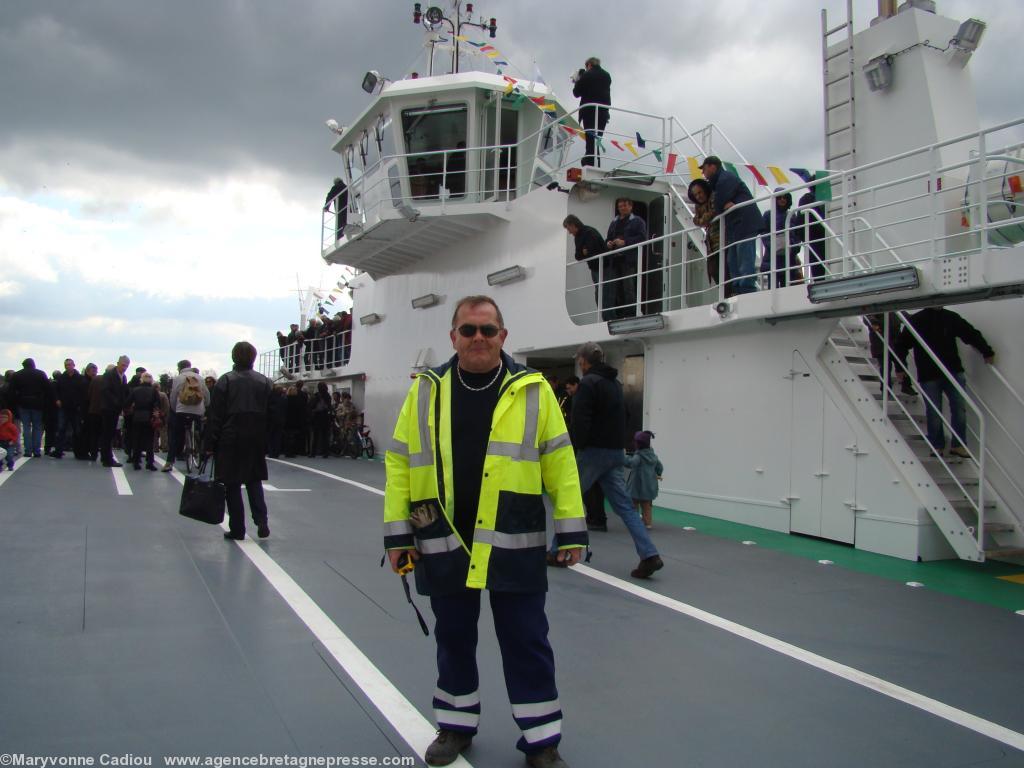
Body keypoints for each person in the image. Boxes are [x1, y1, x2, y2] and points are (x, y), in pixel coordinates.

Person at [384, 295, 586, 768]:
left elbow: (561, 461)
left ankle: (542, 741)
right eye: (469, 330)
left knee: (527, 639)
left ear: (503, 337)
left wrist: (572, 531)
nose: (479, 338)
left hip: (513, 538)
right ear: (452, 336)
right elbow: (398, 462)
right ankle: (455, 727)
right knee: (453, 637)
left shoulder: (532, 389)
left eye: (488, 330)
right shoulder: (426, 390)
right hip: (442, 536)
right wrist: (397, 538)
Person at [559, 341, 663, 578]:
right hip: (615, 452)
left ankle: (557, 549)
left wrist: (577, 446)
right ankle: (649, 554)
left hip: (594, 452)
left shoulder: (587, 384)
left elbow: (581, 421)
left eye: (579, 360)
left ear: (583, 361)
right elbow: (625, 415)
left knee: (570, 498)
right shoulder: (614, 384)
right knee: (625, 507)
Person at [895, 307, 995, 459]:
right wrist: (900, 367)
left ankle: (958, 445)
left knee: (959, 409)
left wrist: (986, 351)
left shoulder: (950, 317)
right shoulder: (917, 320)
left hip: (952, 371)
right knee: (934, 412)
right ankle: (937, 445)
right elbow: (901, 345)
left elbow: (970, 333)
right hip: (930, 374)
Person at [205, 341, 272, 540]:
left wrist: (210, 443)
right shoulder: (265, 382)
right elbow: (271, 413)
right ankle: (262, 521)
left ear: (234, 357)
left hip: (230, 437)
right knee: (254, 481)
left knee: (231, 484)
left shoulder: (225, 381)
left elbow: (215, 416)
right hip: (256, 437)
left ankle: (237, 528)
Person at [702, 156, 762, 296]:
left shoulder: (726, 179)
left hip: (745, 223)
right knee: (732, 260)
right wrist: (723, 205)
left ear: (712, 166)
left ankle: (746, 289)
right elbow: (719, 202)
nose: (703, 173)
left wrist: (721, 204)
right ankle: (738, 289)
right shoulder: (718, 182)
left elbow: (718, 202)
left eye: (704, 169)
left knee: (744, 257)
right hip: (735, 225)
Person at [563, 214, 614, 320]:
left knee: (605, 294)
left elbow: (592, 251)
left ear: (573, 225)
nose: (569, 232)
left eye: (569, 228)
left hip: (604, 266)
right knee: (599, 294)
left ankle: (609, 318)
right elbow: (578, 256)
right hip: (594, 268)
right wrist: (583, 252)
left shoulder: (589, 232)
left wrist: (584, 252)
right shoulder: (578, 237)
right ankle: (605, 318)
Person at [164, 361, 211, 471]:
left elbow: (174, 395)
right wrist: (205, 406)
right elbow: (206, 394)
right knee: (200, 432)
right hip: (198, 410)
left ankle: (169, 463)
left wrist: (175, 409)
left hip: (182, 410)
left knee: (176, 435)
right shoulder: (199, 377)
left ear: (179, 368)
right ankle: (201, 454)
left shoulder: (178, 378)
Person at [605, 198, 647, 318]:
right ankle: (620, 313)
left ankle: (630, 313)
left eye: (624, 206)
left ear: (630, 207)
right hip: (615, 259)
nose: (622, 208)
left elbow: (642, 238)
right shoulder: (614, 222)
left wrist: (625, 242)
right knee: (617, 287)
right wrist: (608, 243)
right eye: (620, 206)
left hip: (628, 259)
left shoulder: (637, 221)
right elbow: (608, 237)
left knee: (628, 287)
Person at [759, 189, 803, 288]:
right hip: (773, 256)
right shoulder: (768, 215)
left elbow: (797, 234)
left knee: (788, 286)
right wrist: (772, 245)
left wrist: (793, 246)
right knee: (772, 286)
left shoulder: (791, 215)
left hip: (789, 255)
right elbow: (764, 233)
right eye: (779, 197)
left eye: (785, 197)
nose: (782, 200)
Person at [572, 56, 611, 168]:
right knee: (597, 139)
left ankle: (589, 162)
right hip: (603, 112)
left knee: (590, 139)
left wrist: (578, 79)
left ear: (589, 65)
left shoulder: (587, 75)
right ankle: (596, 163)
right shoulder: (607, 75)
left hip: (589, 111)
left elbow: (576, 93)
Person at [11, 358, 51, 458]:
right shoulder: (41, 374)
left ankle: (28, 450)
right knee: (37, 427)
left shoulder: (17, 375)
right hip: (37, 403)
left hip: (23, 403)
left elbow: (12, 391)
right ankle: (36, 450)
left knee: (26, 427)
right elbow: (48, 389)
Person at [624, 430, 663, 529]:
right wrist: (658, 474)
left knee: (634, 506)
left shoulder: (639, 456)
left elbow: (631, 463)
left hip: (636, 488)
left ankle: (635, 523)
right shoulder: (653, 456)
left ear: (637, 444)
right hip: (649, 487)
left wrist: (624, 457)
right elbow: (660, 467)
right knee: (647, 506)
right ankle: (647, 523)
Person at [688, 178, 722, 287]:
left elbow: (714, 211)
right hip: (711, 245)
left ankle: (729, 294)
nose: (698, 196)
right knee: (714, 271)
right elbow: (696, 220)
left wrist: (704, 219)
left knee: (723, 270)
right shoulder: (698, 206)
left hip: (722, 240)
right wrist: (704, 220)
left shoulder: (714, 197)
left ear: (705, 190)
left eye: (700, 192)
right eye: (696, 195)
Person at [99, 356, 130, 467]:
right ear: (118, 363)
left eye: (126, 365)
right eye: (123, 365)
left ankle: (106, 457)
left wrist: (124, 404)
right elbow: (105, 390)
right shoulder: (109, 375)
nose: (125, 367)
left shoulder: (123, 377)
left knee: (110, 433)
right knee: (108, 433)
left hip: (115, 408)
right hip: (108, 408)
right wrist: (116, 402)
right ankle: (107, 458)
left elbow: (124, 391)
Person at [126, 372, 160, 470]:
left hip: (137, 416)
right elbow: (157, 405)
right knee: (149, 440)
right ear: (151, 380)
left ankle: (136, 462)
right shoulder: (154, 391)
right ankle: (150, 463)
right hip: (149, 417)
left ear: (141, 379)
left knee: (137, 439)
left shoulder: (135, 390)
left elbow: (127, 403)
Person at [325, 177, 348, 241]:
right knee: (346, 223)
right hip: (348, 209)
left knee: (340, 224)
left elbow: (330, 196)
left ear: (335, 182)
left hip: (340, 208)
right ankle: (348, 235)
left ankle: (339, 239)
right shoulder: (346, 187)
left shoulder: (335, 187)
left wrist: (326, 207)